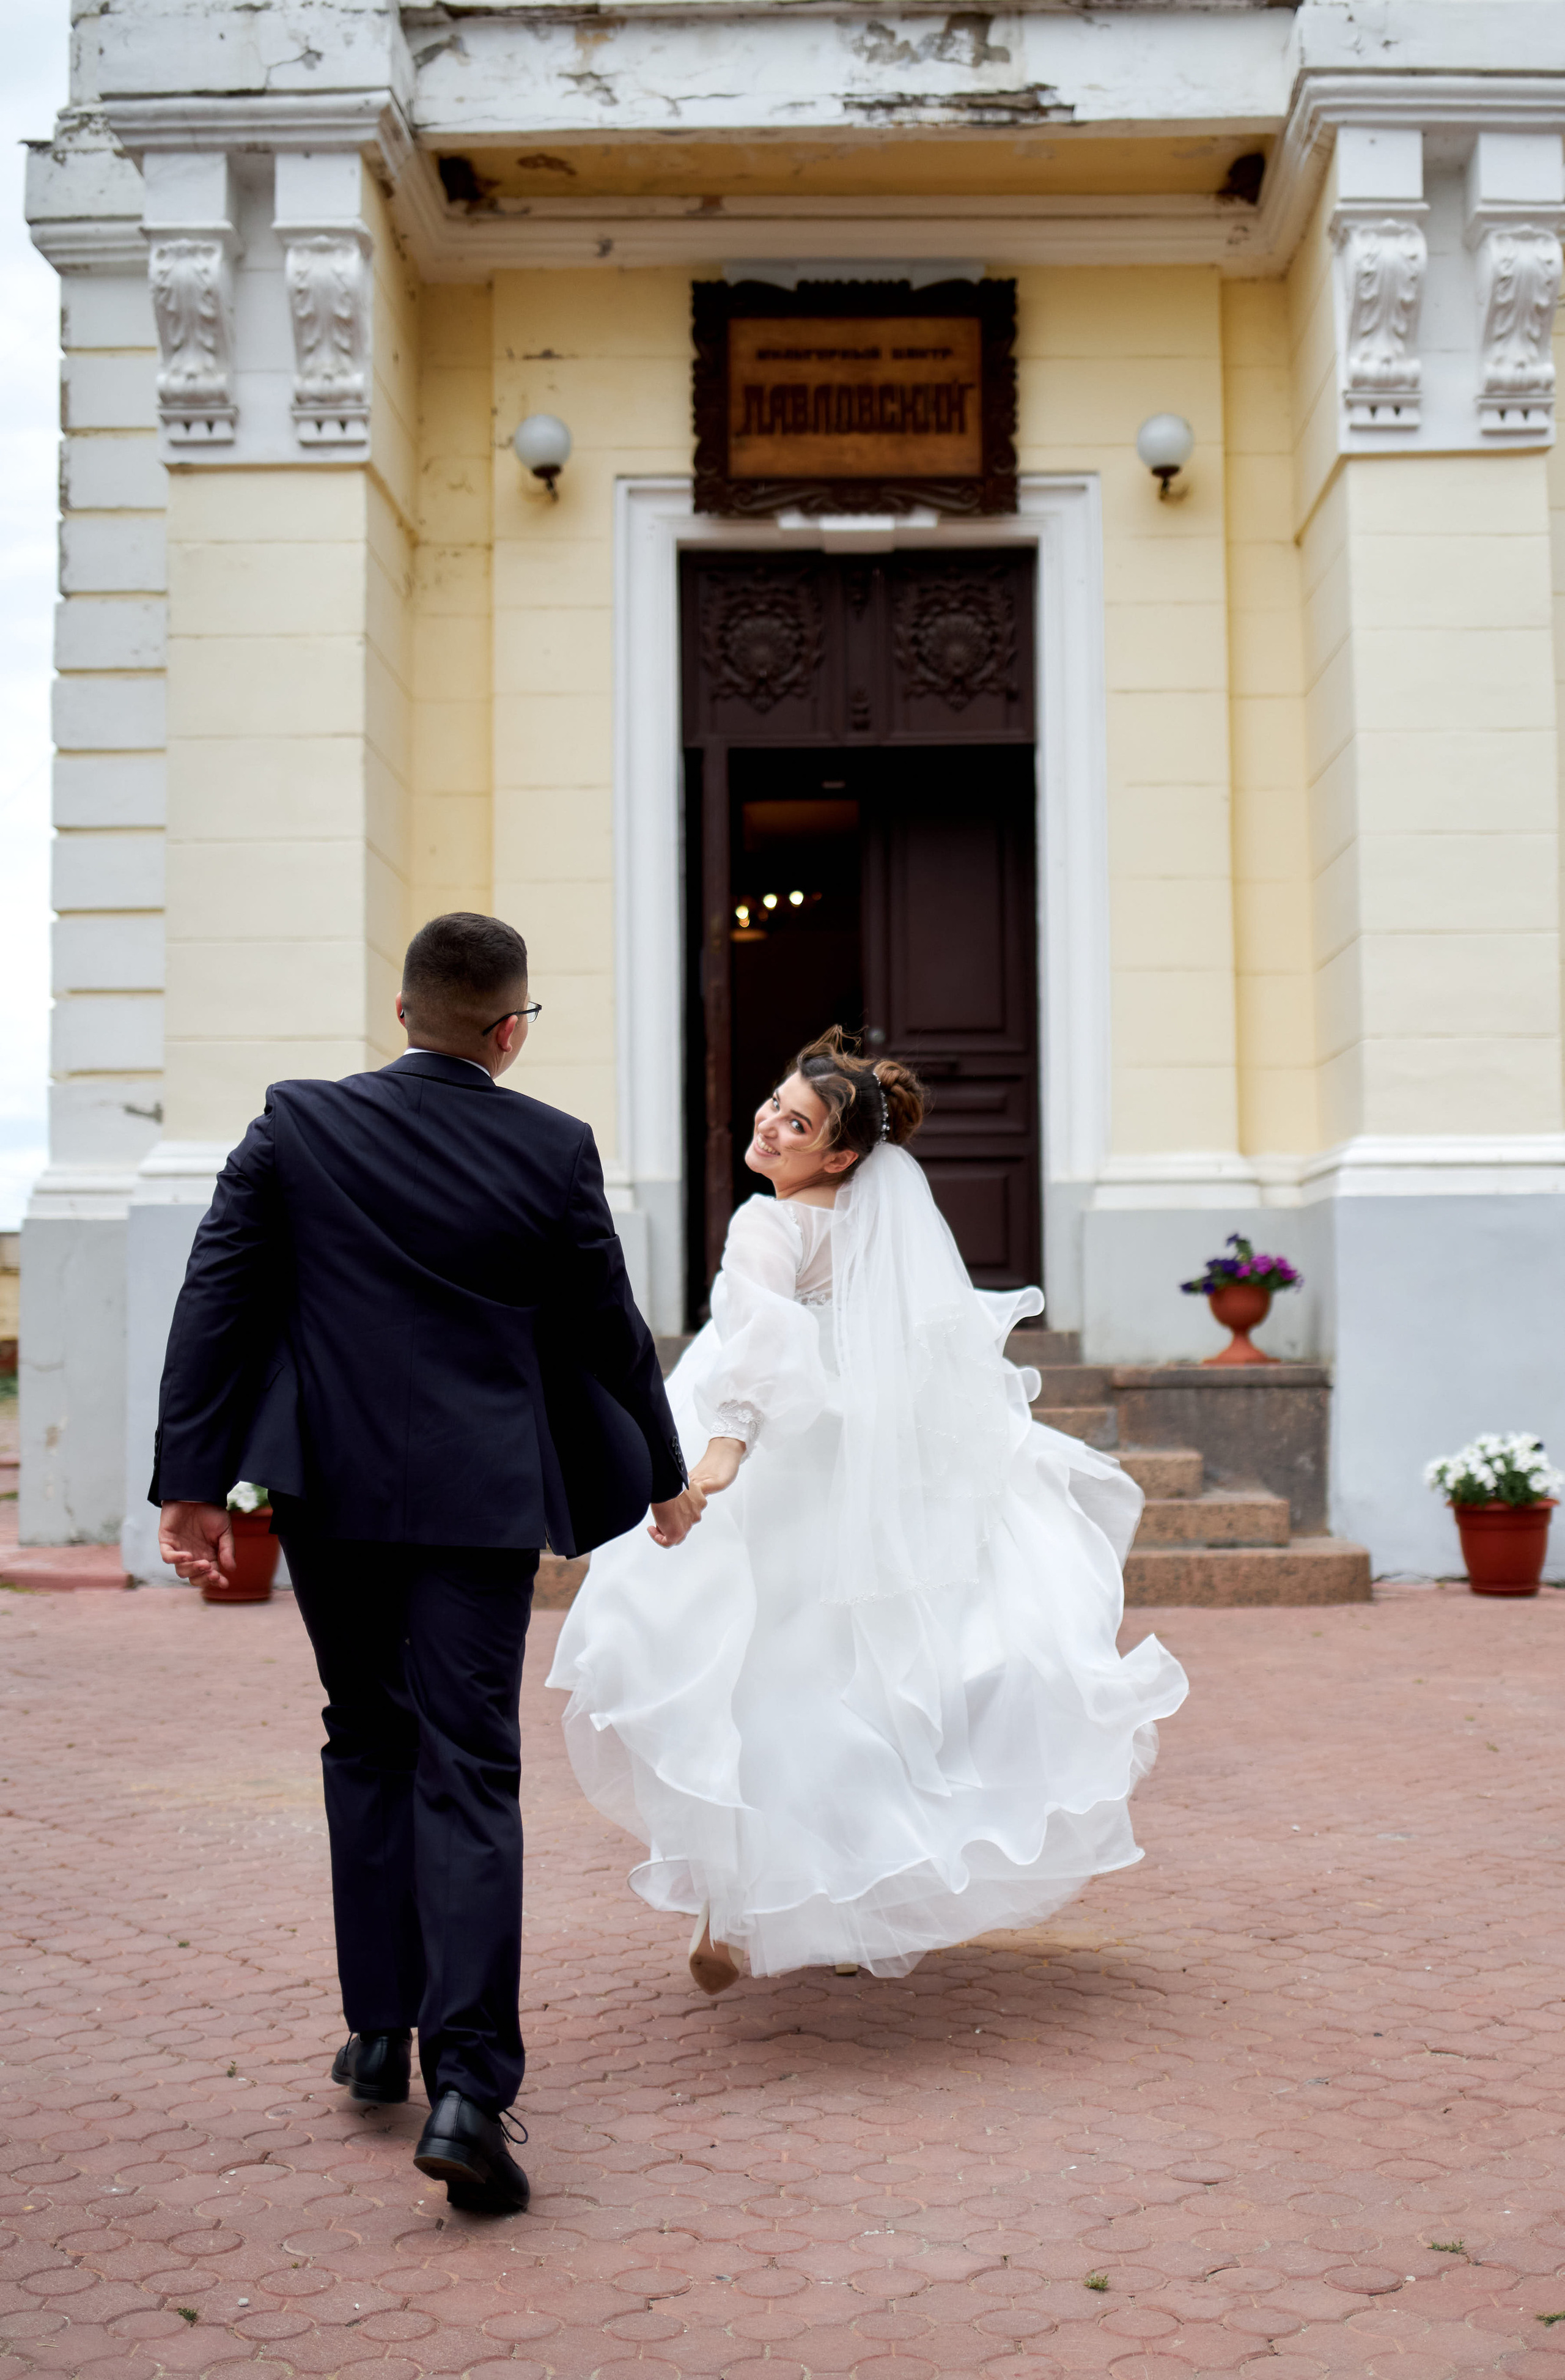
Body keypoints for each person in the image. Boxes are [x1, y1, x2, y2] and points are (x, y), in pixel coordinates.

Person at [152, 912, 701, 2214]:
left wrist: (188, 1483)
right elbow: (609, 1331)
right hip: (480, 1503)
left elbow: (214, 1296)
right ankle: (466, 2084)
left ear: (402, 1013)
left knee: (364, 1738)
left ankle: (373, 2026)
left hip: (329, 1492)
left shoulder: (295, 1123)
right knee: (469, 1766)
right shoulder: (552, 1146)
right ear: (508, 1031)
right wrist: (663, 1468)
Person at [550, 1026, 1187, 1992]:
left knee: (752, 1677)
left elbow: (758, 1336)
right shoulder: (880, 1235)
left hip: (783, 1462)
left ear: (840, 1154)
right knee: (858, 1683)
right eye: (773, 1105)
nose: (768, 1126)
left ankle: (734, 1907)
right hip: (868, 1467)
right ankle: (835, 1892)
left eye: (795, 1124)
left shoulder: (769, 1226)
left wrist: (724, 1442)